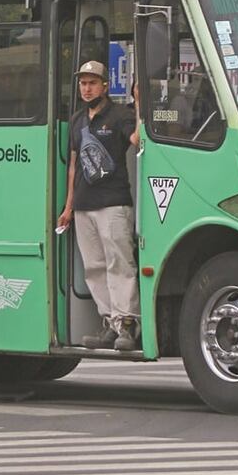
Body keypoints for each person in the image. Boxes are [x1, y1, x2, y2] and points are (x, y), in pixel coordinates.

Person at [56, 61, 141, 351]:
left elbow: (137, 140)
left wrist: (141, 105)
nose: (87, 88)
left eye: (92, 83)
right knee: (94, 267)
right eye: (83, 83)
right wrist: (68, 207)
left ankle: (127, 325)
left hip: (113, 203)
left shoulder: (120, 115)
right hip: (83, 205)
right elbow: (73, 166)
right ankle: (109, 323)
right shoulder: (78, 119)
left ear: (105, 86)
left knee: (120, 263)